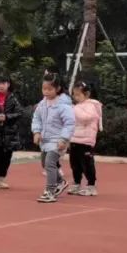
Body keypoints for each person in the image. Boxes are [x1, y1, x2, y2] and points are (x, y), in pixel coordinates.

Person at [31, 72, 75, 203]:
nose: (46, 91)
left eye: (49, 89)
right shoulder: (42, 104)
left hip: (58, 140)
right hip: (45, 140)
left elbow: (70, 123)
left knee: (50, 163)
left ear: (58, 88)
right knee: (45, 163)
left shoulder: (64, 105)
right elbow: (36, 118)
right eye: (44, 88)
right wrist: (36, 132)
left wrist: (64, 139)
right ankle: (60, 182)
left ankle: (50, 190)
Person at [0, 72, 24, 189]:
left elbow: (20, 113)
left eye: (4, 83)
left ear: (8, 84)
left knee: (6, 157)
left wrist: (7, 117)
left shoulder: (13, 98)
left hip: (9, 134)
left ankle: (2, 179)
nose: (1, 86)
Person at [69, 80, 103, 196]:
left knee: (87, 164)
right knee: (74, 164)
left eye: (78, 94)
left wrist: (74, 109)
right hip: (75, 139)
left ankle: (91, 186)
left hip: (86, 141)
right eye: (74, 94)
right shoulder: (77, 106)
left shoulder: (91, 105)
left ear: (87, 94)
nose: (75, 97)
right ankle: (77, 183)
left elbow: (86, 118)